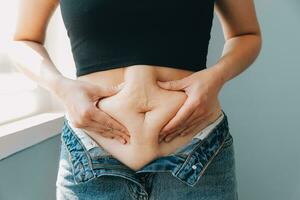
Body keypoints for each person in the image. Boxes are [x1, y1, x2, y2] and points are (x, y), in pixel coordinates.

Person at [9, 0, 262, 199]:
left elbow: (246, 34)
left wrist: (216, 77)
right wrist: (63, 88)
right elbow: (23, 41)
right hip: (90, 159)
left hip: (197, 154)